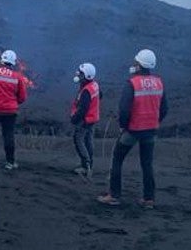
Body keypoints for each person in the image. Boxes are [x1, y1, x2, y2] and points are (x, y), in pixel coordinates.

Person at [98, 49, 167, 208]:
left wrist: (123, 125)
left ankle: (114, 195)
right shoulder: (159, 82)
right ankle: (149, 199)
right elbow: (164, 108)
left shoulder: (133, 83)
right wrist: (155, 121)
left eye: (136, 62)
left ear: (139, 65)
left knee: (117, 158)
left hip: (133, 129)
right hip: (151, 130)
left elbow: (124, 109)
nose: (133, 63)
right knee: (147, 164)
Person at [69, 63, 101, 177]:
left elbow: (83, 109)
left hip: (85, 120)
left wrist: (74, 119)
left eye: (80, 73)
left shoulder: (86, 90)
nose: (78, 74)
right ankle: (89, 164)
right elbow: (99, 96)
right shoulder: (94, 85)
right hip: (93, 118)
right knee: (88, 140)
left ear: (86, 76)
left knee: (78, 139)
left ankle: (85, 165)